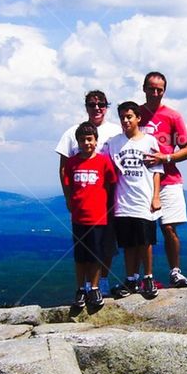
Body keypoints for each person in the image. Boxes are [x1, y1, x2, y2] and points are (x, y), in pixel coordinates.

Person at [56, 90, 122, 289]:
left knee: (108, 242)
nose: (97, 108)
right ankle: (86, 285)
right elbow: (63, 167)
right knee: (84, 246)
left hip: (108, 195)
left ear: (106, 107)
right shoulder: (72, 132)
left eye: (101, 104)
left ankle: (102, 280)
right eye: (92, 104)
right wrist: (69, 198)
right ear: (86, 107)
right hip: (83, 200)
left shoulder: (115, 131)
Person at [103, 101, 162, 299]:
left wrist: (155, 197)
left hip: (144, 200)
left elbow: (156, 172)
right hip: (123, 201)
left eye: (129, 117)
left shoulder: (149, 141)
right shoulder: (113, 142)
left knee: (145, 242)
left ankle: (148, 277)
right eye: (122, 117)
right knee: (128, 243)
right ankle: (131, 279)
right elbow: (102, 163)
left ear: (138, 118)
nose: (125, 121)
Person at [139, 71, 187, 288]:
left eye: (159, 89)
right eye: (151, 88)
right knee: (142, 230)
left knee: (168, 227)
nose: (155, 93)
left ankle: (175, 271)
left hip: (169, 179)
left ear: (164, 91)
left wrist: (166, 157)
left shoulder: (173, 116)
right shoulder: (136, 113)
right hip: (141, 181)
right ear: (144, 88)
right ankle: (144, 276)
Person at [61, 122, 117, 310]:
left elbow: (110, 184)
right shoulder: (72, 163)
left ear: (96, 140)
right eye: (83, 140)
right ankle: (80, 289)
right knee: (80, 257)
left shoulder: (103, 161)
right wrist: (70, 202)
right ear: (77, 141)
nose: (86, 143)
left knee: (95, 255)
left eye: (90, 139)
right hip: (79, 217)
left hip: (98, 217)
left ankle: (94, 288)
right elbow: (68, 184)